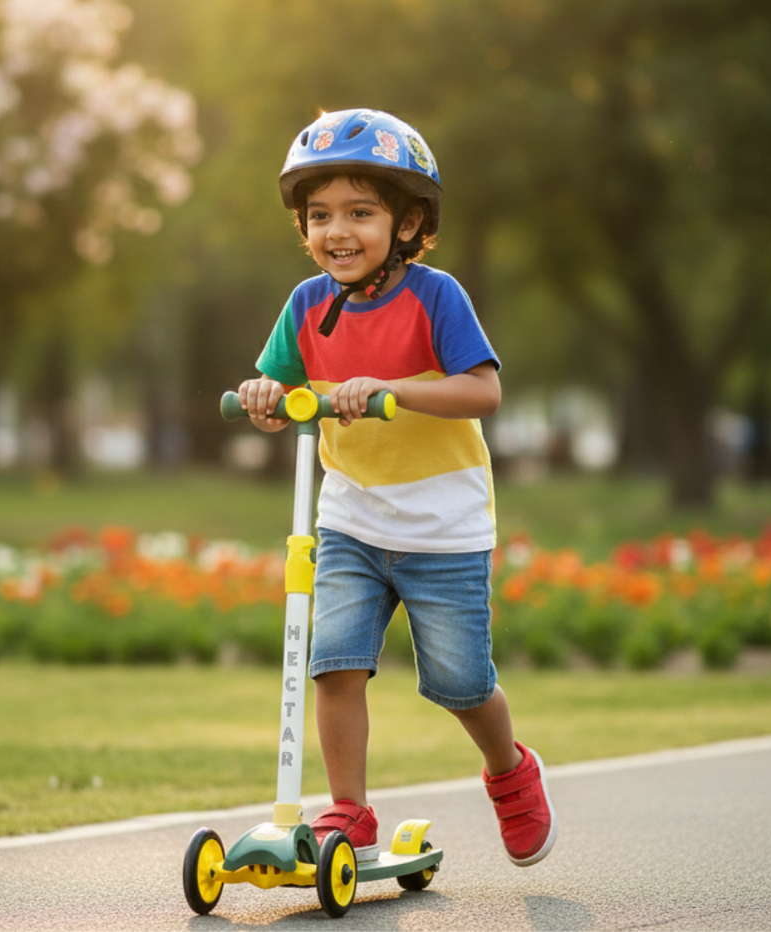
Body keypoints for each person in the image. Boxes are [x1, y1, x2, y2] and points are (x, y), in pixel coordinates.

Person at [238, 108, 557, 867]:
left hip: (442, 526)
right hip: (352, 517)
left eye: (360, 212)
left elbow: (482, 393)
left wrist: (392, 388)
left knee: (458, 681)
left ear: (408, 221)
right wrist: (262, 399)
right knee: (335, 662)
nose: (336, 232)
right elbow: (285, 398)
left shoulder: (435, 296)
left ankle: (510, 771)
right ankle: (350, 811)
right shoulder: (306, 306)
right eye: (319, 216)